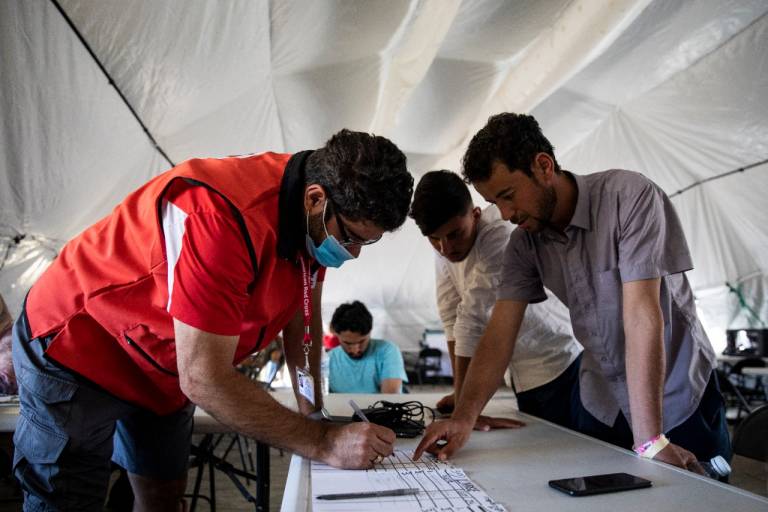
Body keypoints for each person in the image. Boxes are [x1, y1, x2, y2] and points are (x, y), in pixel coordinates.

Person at [12, 129, 414, 511]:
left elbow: (303, 320)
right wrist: (322, 441)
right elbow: (204, 377)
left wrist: (314, 414)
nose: (355, 253)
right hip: (78, 346)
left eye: (368, 241)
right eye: (352, 238)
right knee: (69, 498)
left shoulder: (312, 224)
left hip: (163, 364)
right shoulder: (223, 217)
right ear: (315, 199)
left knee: (163, 497)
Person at [415, 113, 730, 475]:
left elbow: (642, 315)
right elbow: (499, 333)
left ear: (543, 166)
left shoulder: (629, 197)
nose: (505, 213)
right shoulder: (524, 245)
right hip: (603, 400)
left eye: (507, 195)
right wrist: (464, 417)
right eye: (494, 202)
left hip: (674, 395)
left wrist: (650, 438)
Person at [410, 170, 582, 431]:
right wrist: (461, 398)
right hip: (520, 372)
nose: (445, 248)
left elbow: (471, 318)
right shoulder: (445, 246)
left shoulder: (500, 235)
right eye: (434, 238)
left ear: (476, 215)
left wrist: (463, 412)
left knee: (571, 452)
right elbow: (451, 316)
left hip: (558, 362)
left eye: (455, 234)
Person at [327, 301, 408, 394]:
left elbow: (390, 399)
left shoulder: (388, 351)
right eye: (347, 343)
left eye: (361, 341)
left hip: (380, 409)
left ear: (370, 332)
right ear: (336, 334)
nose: (356, 350)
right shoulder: (328, 360)